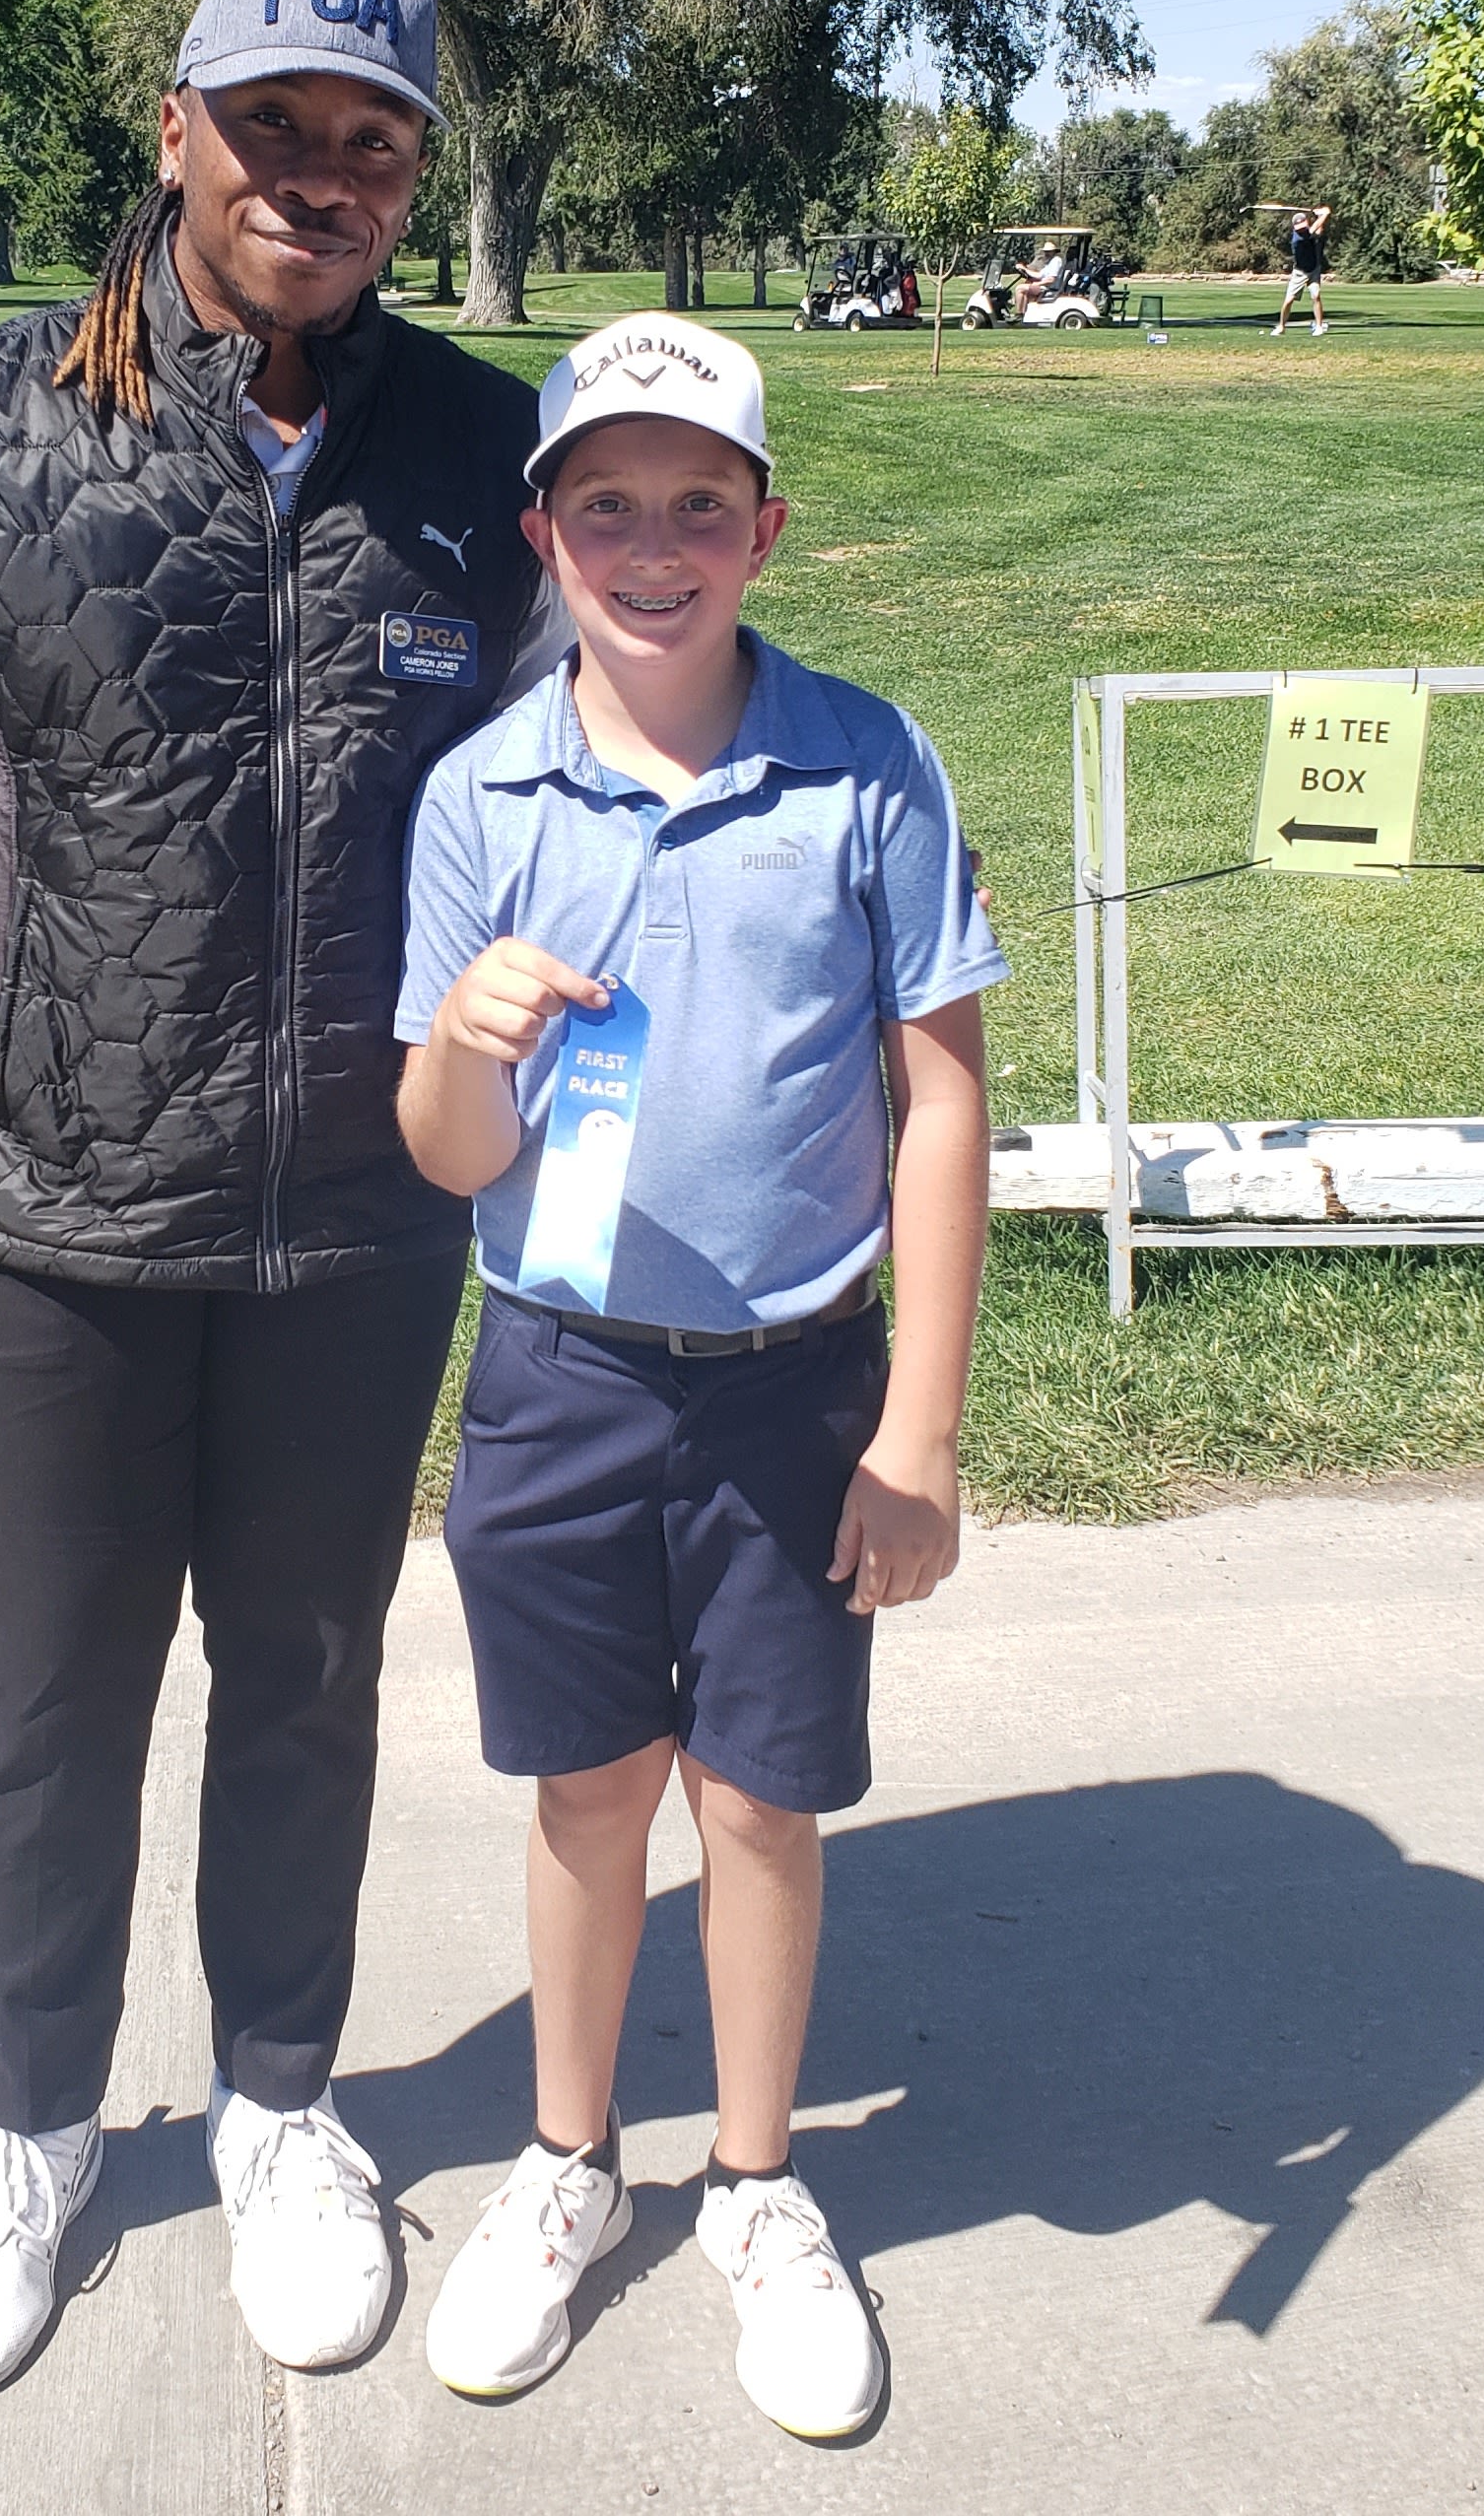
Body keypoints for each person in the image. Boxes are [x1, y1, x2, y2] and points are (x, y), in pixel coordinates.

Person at [0, 0, 567, 2402]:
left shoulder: (485, 461)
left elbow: (575, 817)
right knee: (41, 1697)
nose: (316, 178)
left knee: (313, 1672)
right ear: (174, 129)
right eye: (272, 126)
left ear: (411, 172)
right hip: (51, 1208)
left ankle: (279, 2104)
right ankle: (22, 2128)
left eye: (369, 142)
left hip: (365, 1215)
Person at [391, 313, 1004, 2436]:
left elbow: (942, 1104)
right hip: (558, 1370)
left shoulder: (869, 763)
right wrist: (463, 1040)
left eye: (700, 504)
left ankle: (755, 2180)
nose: (653, 544)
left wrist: (916, 1430)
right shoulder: (482, 791)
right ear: (544, 526)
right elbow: (445, 1156)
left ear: (764, 527)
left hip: (794, 1383)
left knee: (761, 1793)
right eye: (608, 503)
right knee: (586, 1786)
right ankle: (569, 2165)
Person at [1273, 205, 1332, 335]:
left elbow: (1318, 231)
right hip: (1299, 272)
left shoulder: (1308, 231)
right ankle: (1281, 326)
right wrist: (1325, 214)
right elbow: (1314, 229)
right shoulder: (1298, 238)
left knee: (1316, 296)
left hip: (1314, 269)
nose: (1300, 230)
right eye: (1298, 228)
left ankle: (1318, 326)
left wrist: (1319, 216)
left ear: (1306, 224)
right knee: (1289, 300)